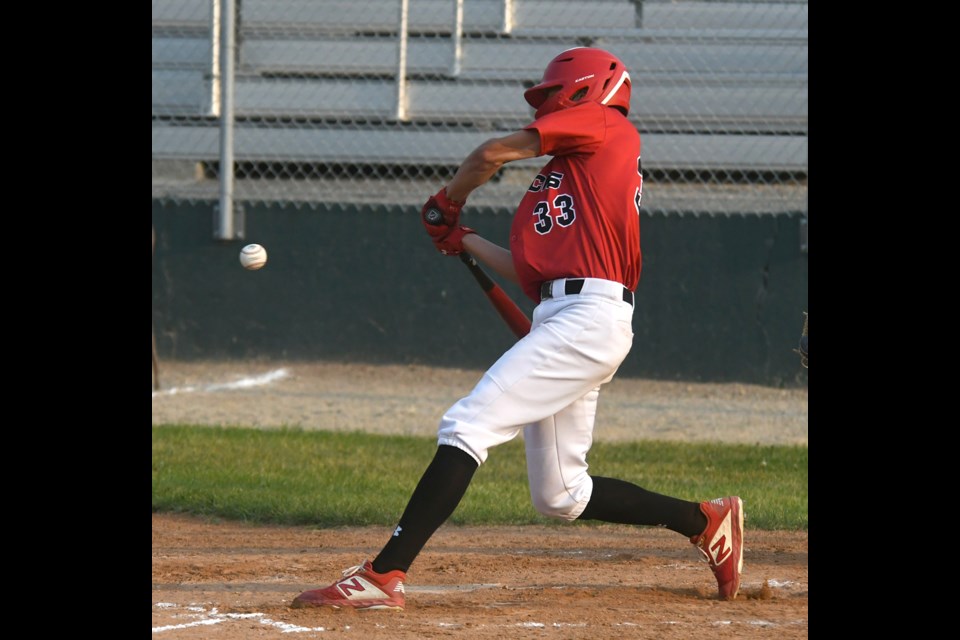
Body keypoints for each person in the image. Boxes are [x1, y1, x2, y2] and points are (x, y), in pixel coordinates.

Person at [291, 47, 743, 611]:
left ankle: (384, 575)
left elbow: (490, 153)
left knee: (467, 424)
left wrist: (447, 200)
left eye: (555, 92)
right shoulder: (566, 175)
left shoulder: (606, 124)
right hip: (566, 314)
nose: (547, 101)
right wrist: (463, 239)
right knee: (560, 494)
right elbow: (533, 272)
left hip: (586, 317)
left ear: (586, 89)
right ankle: (704, 521)